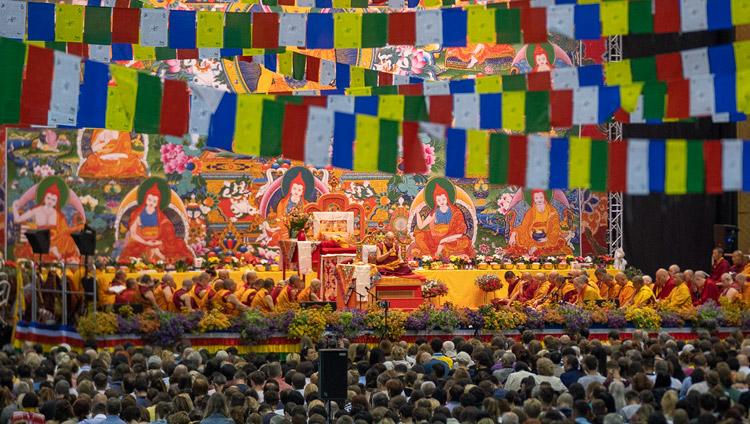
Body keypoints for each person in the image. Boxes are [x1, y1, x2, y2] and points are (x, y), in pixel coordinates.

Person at [119, 181, 193, 262]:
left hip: (158, 241)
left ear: (158, 203)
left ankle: (163, 260)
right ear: (145, 199)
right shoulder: (137, 214)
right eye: (149, 199)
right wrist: (146, 243)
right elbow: (133, 234)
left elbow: (168, 231)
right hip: (142, 242)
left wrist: (160, 241)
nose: (151, 203)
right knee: (134, 252)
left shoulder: (160, 216)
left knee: (178, 244)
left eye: (154, 201)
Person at [413, 179, 474, 257]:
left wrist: (444, 240)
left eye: (443, 199)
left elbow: (460, 232)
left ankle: (439, 251)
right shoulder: (434, 213)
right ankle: (428, 257)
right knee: (419, 237)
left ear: (447, 198)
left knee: (464, 242)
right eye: (439, 200)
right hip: (435, 238)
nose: (441, 201)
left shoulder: (456, 213)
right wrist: (417, 213)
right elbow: (421, 226)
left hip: (451, 237)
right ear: (436, 201)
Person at [506, 189, 572, 256]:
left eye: (541, 197)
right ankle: (534, 247)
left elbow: (555, 226)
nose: (539, 200)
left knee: (559, 241)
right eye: (536, 198)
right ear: (533, 199)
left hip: (548, 235)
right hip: (532, 235)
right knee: (519, 240)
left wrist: (547, 238)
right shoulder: (531, 211)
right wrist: (514, 234)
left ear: (544, 198)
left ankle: (535, 248)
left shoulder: (552, 210)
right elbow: (524, 225)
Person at [77, 130, 147, 179]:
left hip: (120, 158)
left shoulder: (123, 132)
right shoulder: (100, 131)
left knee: (133, 162)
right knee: (92, 160)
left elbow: (127, 150)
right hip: (102, 157)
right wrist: (104, 142)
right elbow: (94, 149)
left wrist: (117, 155)